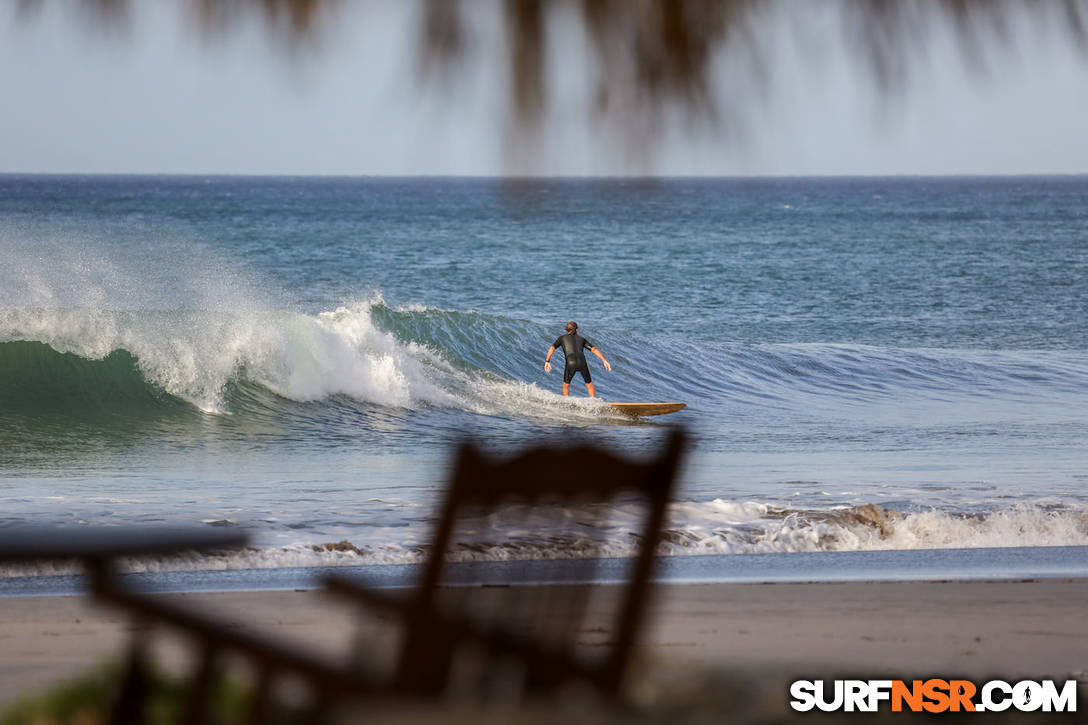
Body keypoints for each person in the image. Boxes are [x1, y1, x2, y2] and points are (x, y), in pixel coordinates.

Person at [544, 321, 612, 397]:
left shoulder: (562, 338)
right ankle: (593, 401)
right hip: (582, 362)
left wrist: (547, 361)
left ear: (566, 330)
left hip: (570, 363)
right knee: (589, 384)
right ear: (576, 330)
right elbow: (594, 349)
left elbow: (552, 348)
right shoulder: (581, 339)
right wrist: (604, 360)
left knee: (566, 385)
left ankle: (567, 401)